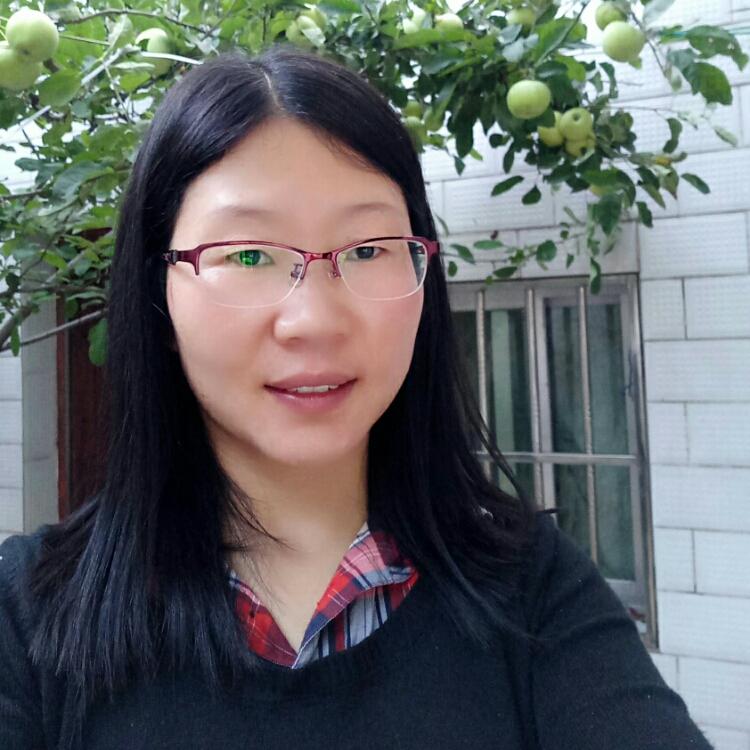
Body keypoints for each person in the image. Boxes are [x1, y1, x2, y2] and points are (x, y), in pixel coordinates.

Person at [0, 45, 712, 750]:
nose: (313, 321)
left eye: (368, 249)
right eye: (248, 254)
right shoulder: (25, 616)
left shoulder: (538, 593)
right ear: (157, 292)